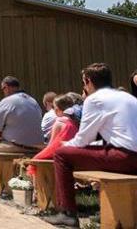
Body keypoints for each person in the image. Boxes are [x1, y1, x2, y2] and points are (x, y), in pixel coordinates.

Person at [44, 63, 137, 227]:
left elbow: (83, 140)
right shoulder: (129, 97)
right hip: (130, 154)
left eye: (83, 82)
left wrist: (65, 144)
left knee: (61, 154)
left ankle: (67, 212)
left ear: (88, 81)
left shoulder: (94, 99)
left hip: (125, 157)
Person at [0, 76, 43, 191]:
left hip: (15, 146)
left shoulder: (7, 101)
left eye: (3, 89)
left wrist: (0, 136)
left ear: (6, 87)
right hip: (36, 146)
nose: (3, 92)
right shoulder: (33, 101)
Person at [27, 94, 80, 177]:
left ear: (57, 110)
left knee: (34, 161)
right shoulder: (75, 122)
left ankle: (37, 186)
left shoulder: (59, 123)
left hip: (60, 154)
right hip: (73, 154)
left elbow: (51, 145)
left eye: (54, 108)